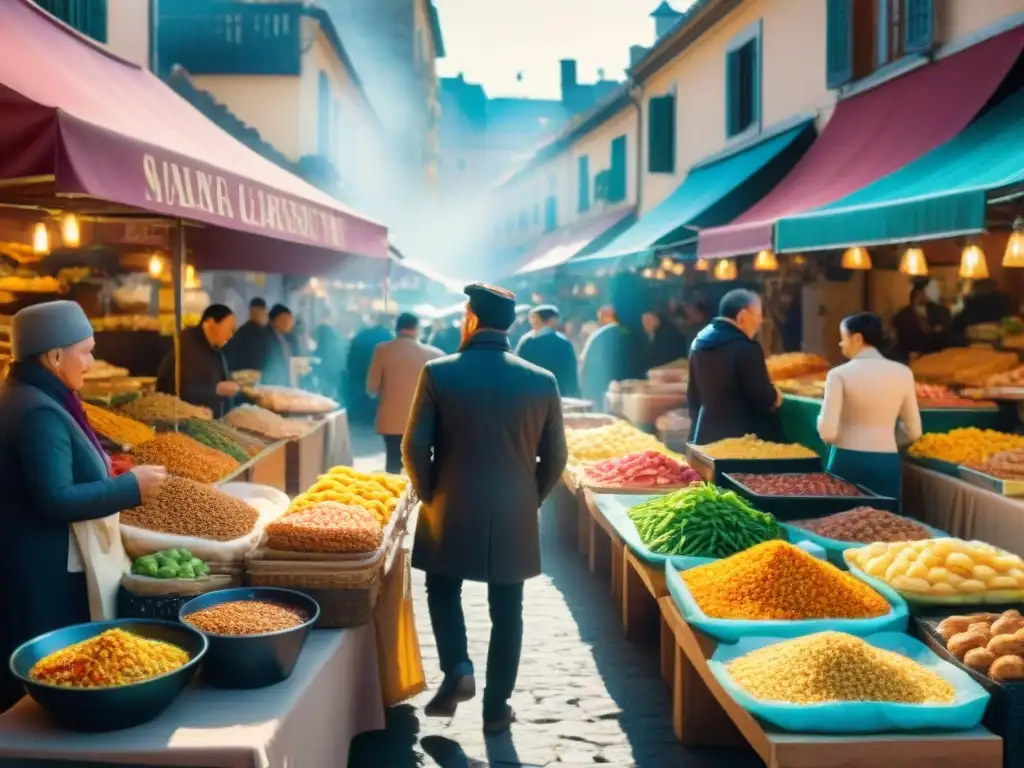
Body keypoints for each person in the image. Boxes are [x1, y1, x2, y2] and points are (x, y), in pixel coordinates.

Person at [403, 283, 568, 733]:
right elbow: (556, 458)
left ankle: (458, 666)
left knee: (441, 589)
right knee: (508, 607)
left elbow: (414, 447)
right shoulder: (542, 380)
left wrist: (429, 492)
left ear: (471, 319)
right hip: (515, 505)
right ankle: (497, 707)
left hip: (451, 502)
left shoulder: (439, 372)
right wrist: (530, 496)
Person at [0, 301, 168, 710]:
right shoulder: (38, 410)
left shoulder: (26, 394)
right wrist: (131, 487)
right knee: (40, 682)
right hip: (42, 571)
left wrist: (100, 467)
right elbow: (54, 498)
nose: (92, 362)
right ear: (55, 356)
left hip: (31, 563)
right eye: (86, 351)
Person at [817, 312, 922, 499]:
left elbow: (827, 432)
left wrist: (820, 420)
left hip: (846, 460)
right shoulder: (903, 373)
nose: (841, 345)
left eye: (843, 339)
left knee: (840, 524)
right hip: (886, 463)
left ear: (857, 338)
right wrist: (883, 439)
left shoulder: (838, 375)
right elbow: (914, 431)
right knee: (884, 523)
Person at [687, 289, 783, 444]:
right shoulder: (747, 348)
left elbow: (692, 396)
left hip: (704, 438)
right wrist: (776, 396)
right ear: (742, 317)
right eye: (758, 317)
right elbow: (763, 398)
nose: (759, 323)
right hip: (741, 443)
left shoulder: (698, 342)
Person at [367, 313, 443, 473]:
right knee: (419, 467)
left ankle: (394, 495)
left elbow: (371, 388)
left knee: (393, 465)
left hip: (391, 420)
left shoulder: (382, 350)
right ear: (417, 329)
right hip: (422, 421)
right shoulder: (435, 355)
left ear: (397, 328)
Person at [156, 304, 239, 416]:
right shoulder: (187, 345)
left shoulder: (214, 348)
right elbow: (181, 388)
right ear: (210, 323)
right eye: (229, 329)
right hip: (184, 422)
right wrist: (216, 389)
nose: (231, 335)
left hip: (215, 422)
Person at [514, 305, 580, 397]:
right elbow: (571, 373)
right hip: (554, 392)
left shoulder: (526, 341)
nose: (531, 321)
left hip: (529, 393)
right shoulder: (562, 342)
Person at [345, 314, 395, 424]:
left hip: (357, 376)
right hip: (377, 379)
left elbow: (350, 358)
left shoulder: (362, 335)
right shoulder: (389, 337)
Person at [579, 306, 629, 410]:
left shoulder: (599, 335)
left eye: (601, 316)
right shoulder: (623, 333)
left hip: (597, 390)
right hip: (612, 390)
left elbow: (584, 365)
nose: (599, 320)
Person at [892, 278, 951, 361]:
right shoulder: (903, 315)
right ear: (918, 293)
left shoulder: (939, 311)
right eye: (927, 292)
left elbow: (946, 329)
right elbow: (902, 339)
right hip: (912, 356)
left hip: (937, 355)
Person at [223, 297, 269, 373]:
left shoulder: (243, 331)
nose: (266, 317)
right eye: (264, 313)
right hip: (248, 376)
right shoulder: (254, 333)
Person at [262, 304, 295, 387]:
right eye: (287, 319)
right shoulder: (266, 337)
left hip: (280, 385)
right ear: (275, 320)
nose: (290, 323)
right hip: (271, 386)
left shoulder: (281, 336)